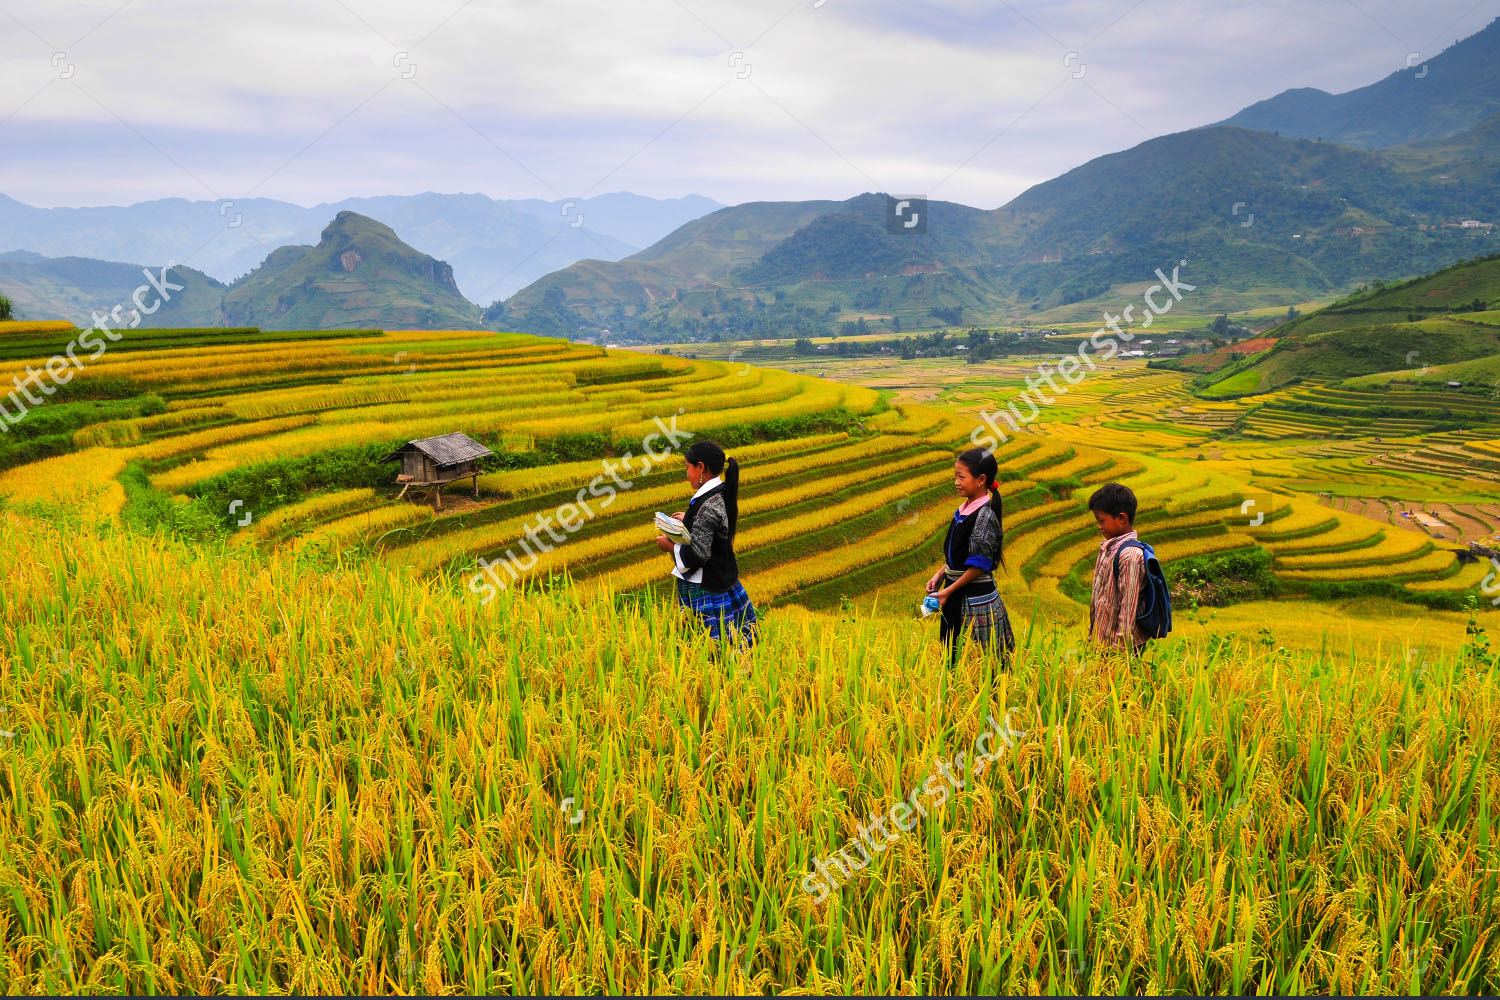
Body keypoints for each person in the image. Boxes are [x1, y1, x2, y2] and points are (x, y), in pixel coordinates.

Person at [655, 440, 759, 648]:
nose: (687, 474)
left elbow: (699, 555)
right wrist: (690, 519)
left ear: (701, 467)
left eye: (688, 468)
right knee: (735, 641)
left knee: (709, 649)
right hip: (723, 578)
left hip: (706, 588)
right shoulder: (719, 492)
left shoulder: (707, 506)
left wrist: (670, 546)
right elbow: (714, 524)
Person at [926, 447, 1015, 665]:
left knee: (978, 667)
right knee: (954, 660)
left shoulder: (984, 516)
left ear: (981, 480)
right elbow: (958, 554)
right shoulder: (964, 510)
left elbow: (978, 566)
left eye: (961, 476)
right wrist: (940, 575)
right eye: (955, 476)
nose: (956, 482)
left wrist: (947, 590)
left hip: (975, 603)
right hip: (957, 596)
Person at [1088, 481, 1147, 652]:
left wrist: (1119, 650)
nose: (1099, 526)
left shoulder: (1129, 556)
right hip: (1102, 643)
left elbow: (1128, 606)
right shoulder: (1107, 549)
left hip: (1120, 649)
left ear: (1122, 518)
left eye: (1102, 521)